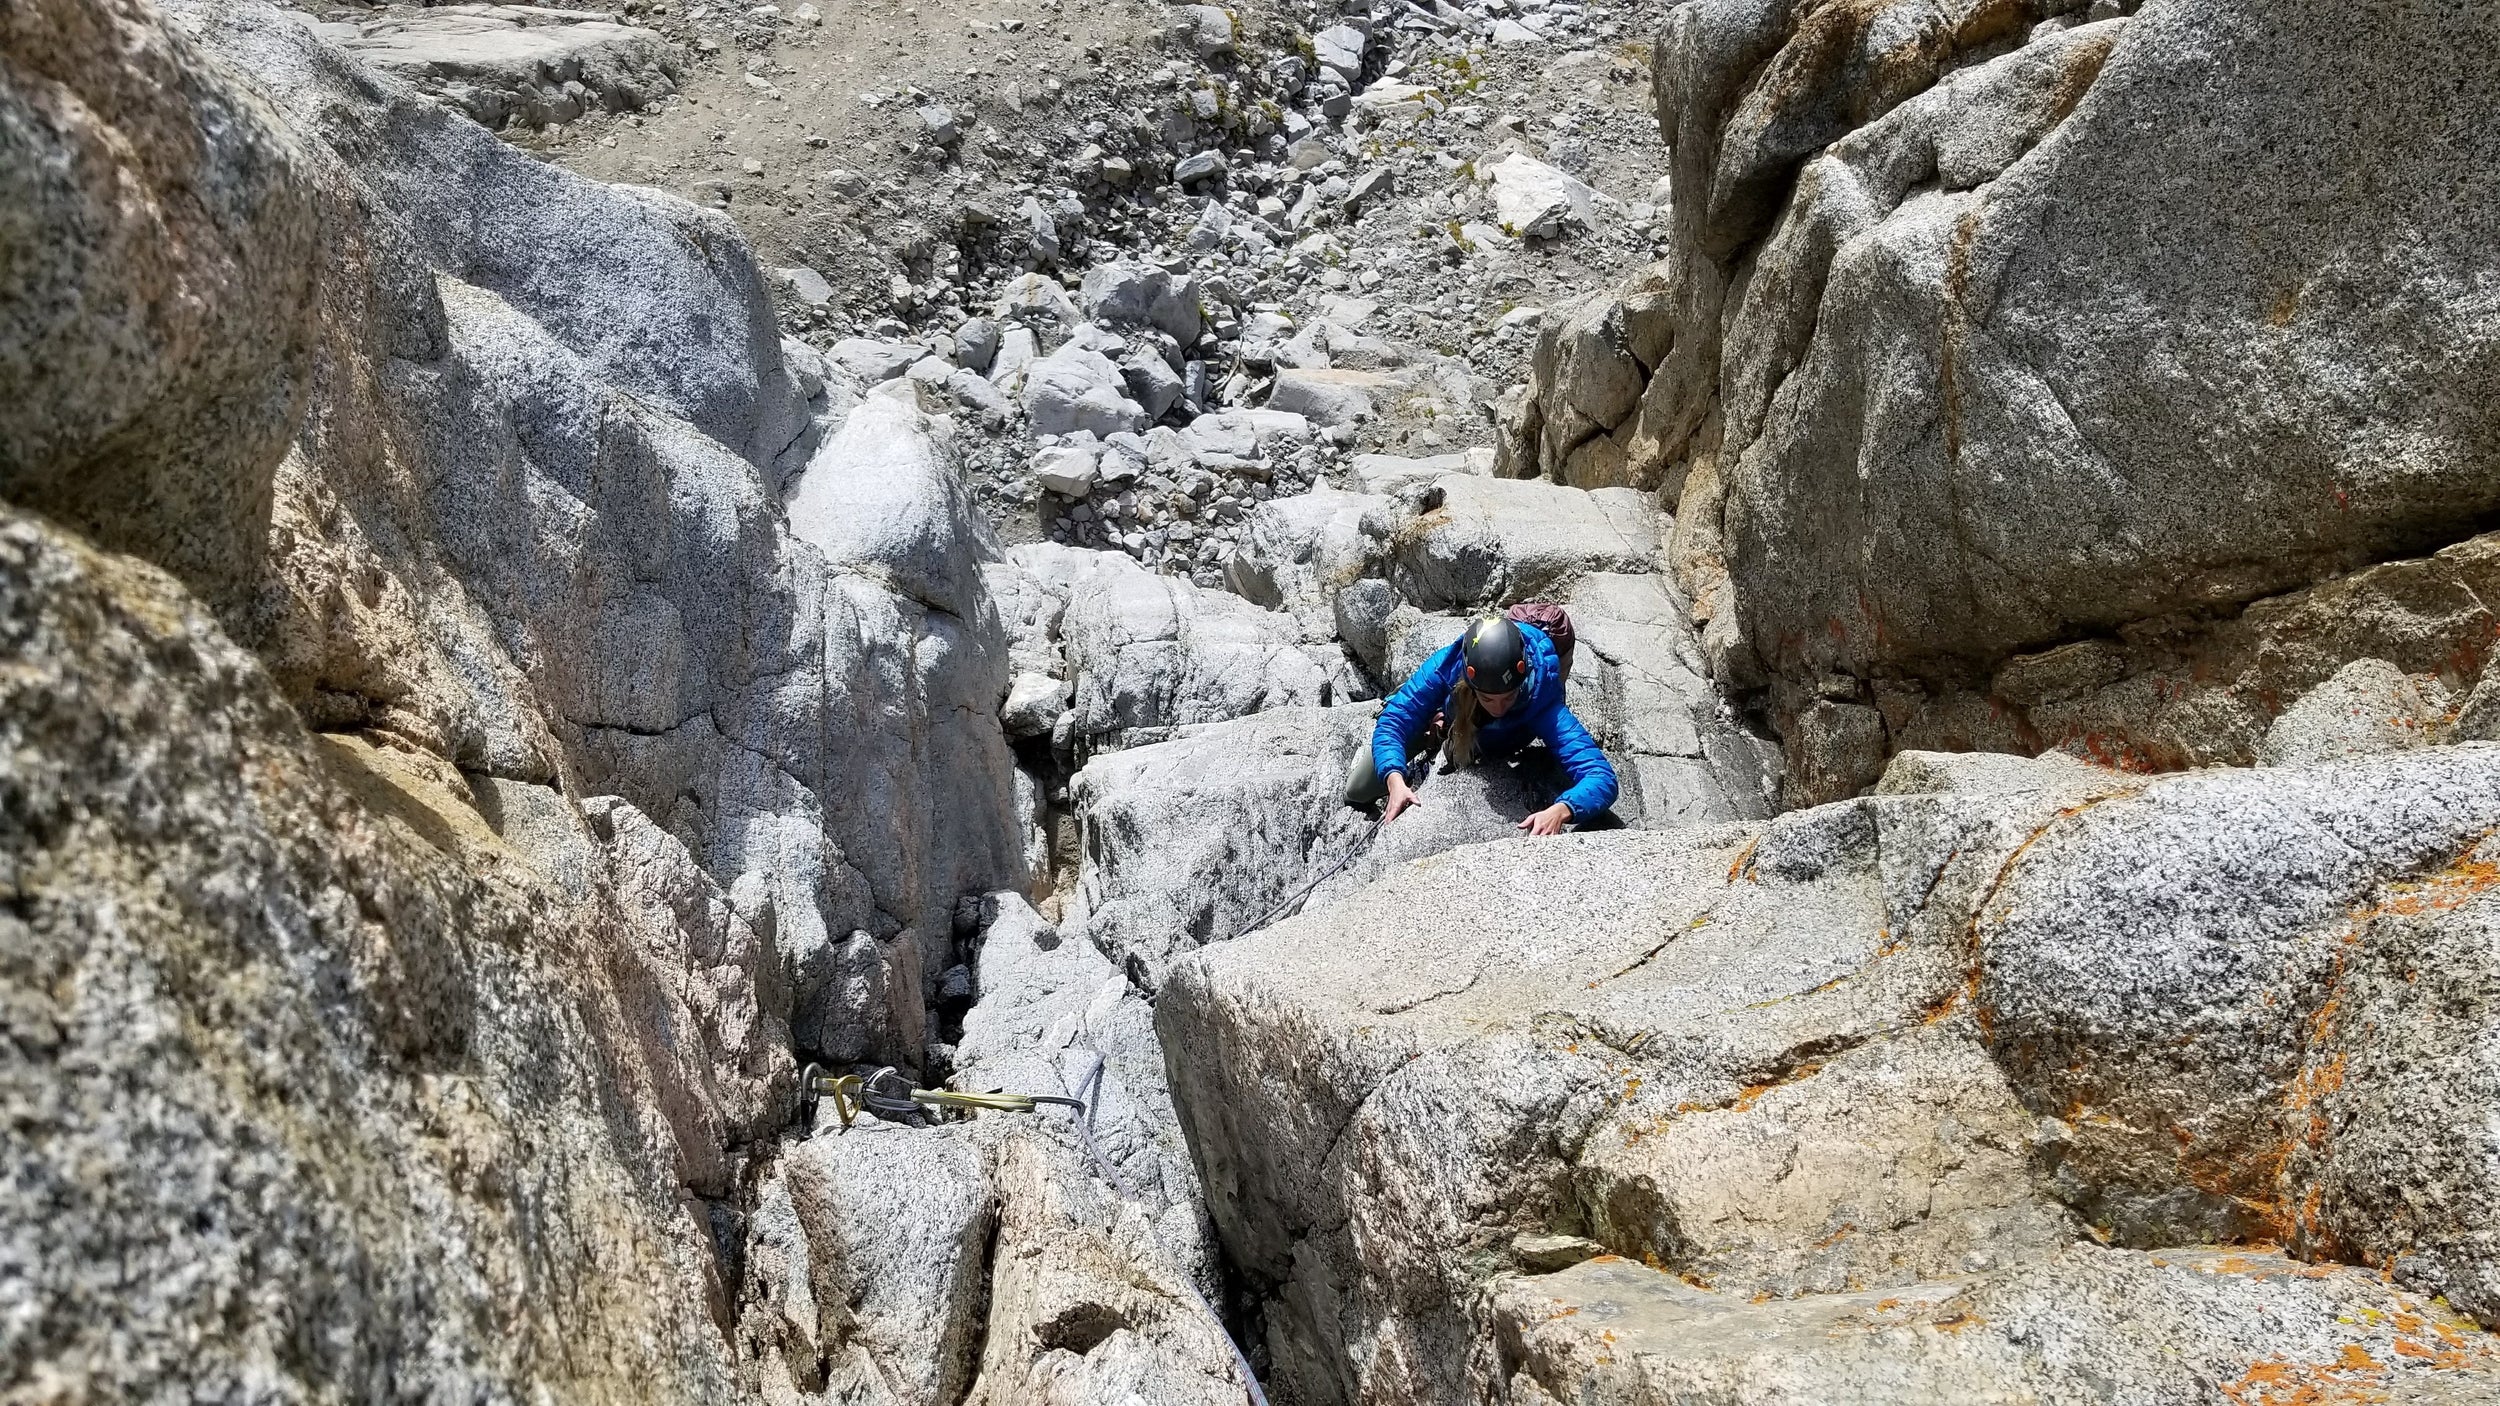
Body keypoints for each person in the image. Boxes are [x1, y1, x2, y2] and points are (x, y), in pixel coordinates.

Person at [1344, 612, 1617, 836]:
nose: (1499, 708)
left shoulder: (1542, 698)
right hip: (1444, 722)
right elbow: (1394, 722)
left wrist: (1563, 809)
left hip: (1497, 742)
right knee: (1358, 790)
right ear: (1470, 681)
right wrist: (1394, 779)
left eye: (1508, 697)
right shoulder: (1445, 668)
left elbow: (1600, 776)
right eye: (1488, 698)